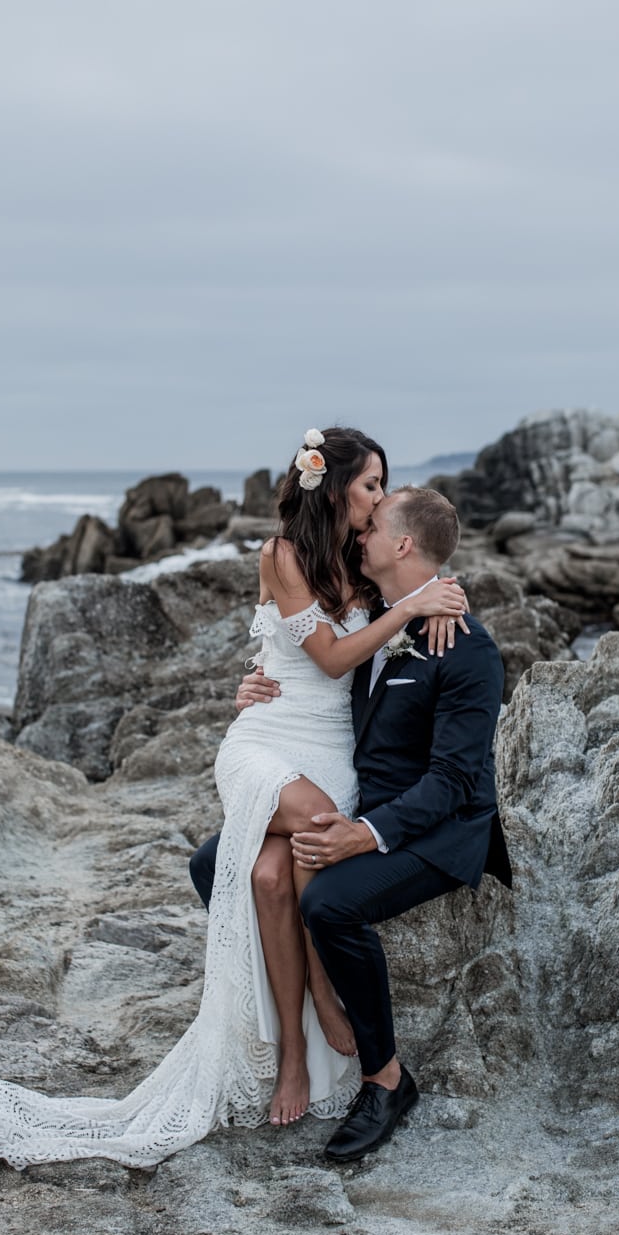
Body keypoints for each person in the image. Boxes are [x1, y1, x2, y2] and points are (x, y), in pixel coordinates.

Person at [0, 427, 468, 1169]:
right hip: (264, 743)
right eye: (371, 484)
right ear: (335, 483)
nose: (378, 500)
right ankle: (316, 995)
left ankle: (290, 1056)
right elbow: (334, 654)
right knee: (316, 829)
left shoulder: (364, 563)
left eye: (383, 490)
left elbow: (416, 575)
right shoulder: (281, 555)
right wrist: (397, 617)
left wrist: (437, 602)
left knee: (270, 874)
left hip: (328, 753)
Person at [190, 480, 510, 1163]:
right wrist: (257, 685)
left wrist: (361, 836)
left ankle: (385, 1077)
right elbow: (315, 669)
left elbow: (454, 783)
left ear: (400, 544)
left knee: (330, 905)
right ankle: (288, 1022)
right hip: (355, 802)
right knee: (213, 861)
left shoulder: (466, 648)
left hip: (436, 831)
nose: (357, 533)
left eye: (371, 527)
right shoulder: (372, 617)